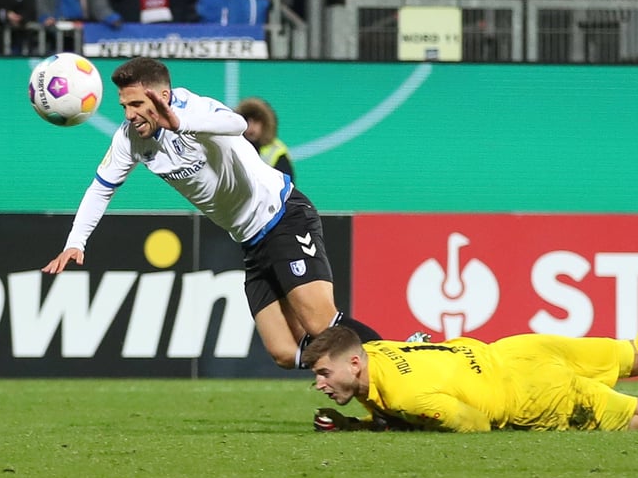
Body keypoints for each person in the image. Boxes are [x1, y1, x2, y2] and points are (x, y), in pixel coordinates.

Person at [41, 57, 382, 370]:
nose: (129, 114)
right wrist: (76, 241)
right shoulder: (129, 138)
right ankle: (365, 375)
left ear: (162, 95)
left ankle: (401, 359)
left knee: (321, 325)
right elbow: (101, 187)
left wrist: (181, 123)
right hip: (250, 241)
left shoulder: (194, 109)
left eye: (136, 104)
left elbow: (235, 123)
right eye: (124, 106)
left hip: (282, 216)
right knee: (284, 352)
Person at [304, 279, 638, 432]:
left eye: (324, 373)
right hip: (518, 349)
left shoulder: (404, 399)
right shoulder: (379, 350)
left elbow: (472, 424)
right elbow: (412, 352)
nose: (319, 384)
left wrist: (405, 426)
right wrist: (354, 423)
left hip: (532, 394)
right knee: (637, 355)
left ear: (354, 364)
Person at [234, 97, 294, 183]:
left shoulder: (277, 151)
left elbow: (287, 188)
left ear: (265, 123)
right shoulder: (234, 147)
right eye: (247, 121)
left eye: (256, 121)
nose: (250, 127)